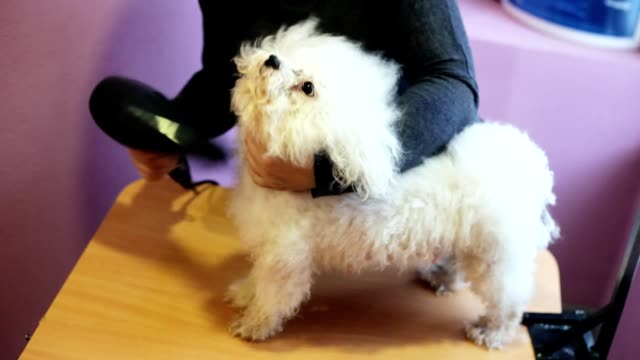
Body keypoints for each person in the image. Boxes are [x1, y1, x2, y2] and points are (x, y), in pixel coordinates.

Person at [89, 0, 479, 197]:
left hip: (401, 193)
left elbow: (451, 81)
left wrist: (330, 171)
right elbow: (224, 74)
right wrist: (175, 134)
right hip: (289, 212)